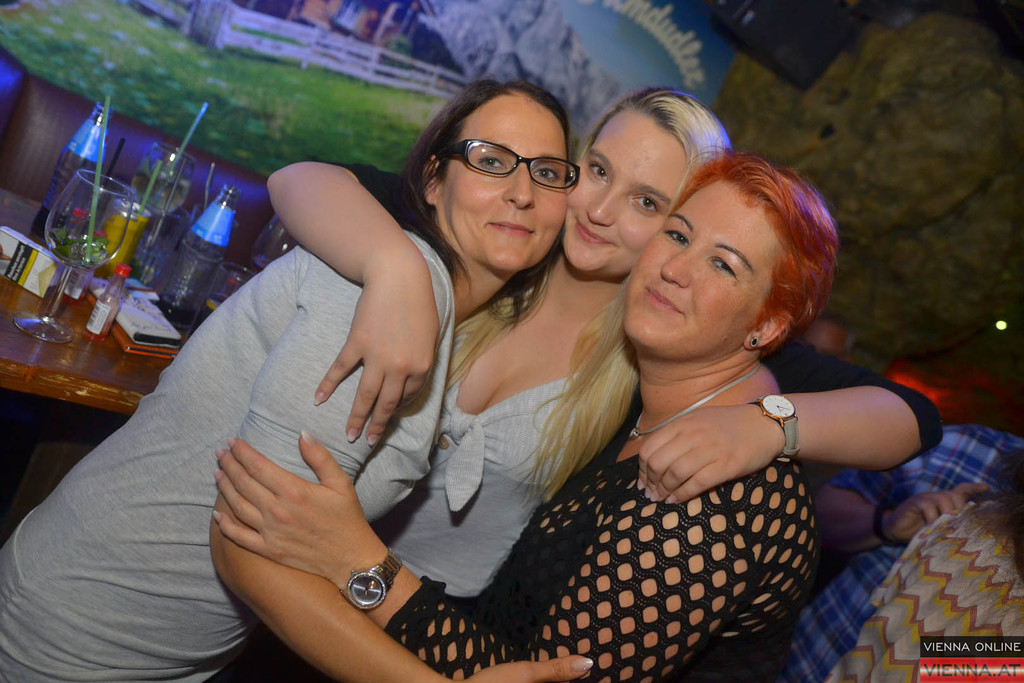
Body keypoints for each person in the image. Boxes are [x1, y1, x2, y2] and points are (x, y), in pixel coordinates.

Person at [264, 87, 942, 599]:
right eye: (598, 170)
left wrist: (767, 424)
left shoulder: (659, 352)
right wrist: (396, 269)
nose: (598, 210)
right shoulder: (501, 248)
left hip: (419, 629)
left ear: (683, 224)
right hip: (289, 559)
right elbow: (300, 178)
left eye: (648, 203)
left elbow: (911, 416)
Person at [0, 79, 574, 681]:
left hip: (144, 648)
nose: (522, 193)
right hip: (73, 633)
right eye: (491, 161)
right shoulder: (389, 296)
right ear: (434, 180)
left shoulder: (438, 310)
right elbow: (251, 542)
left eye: (547, 173)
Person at [215, 151, 842, 680]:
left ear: (766, 326)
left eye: (723, 264)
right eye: (677, 235)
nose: (674, 268)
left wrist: (356, 558)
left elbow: (551, 676)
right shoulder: (641, 413)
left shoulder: (717, 489)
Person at [782, 423, 1024, 682]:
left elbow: (934, 663)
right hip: (799, 659)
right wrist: (885, 524)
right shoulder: (960, 446)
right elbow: (814, 517)